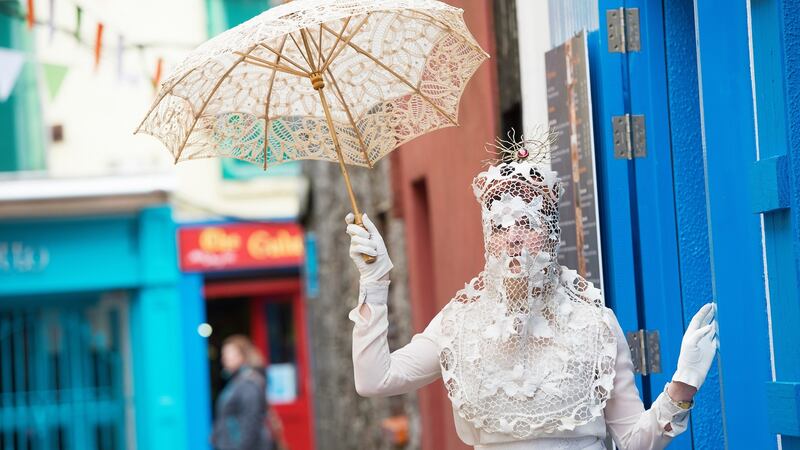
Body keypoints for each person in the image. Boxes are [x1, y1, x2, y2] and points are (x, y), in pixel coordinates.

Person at [345, 136, 718, 450]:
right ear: (488, 238)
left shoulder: (593, 323)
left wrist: (683, 383)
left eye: (526, 223)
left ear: (551, 234)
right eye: (500, 227)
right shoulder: (461, 323)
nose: (513, 238)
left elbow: (634, 440)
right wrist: (375, 282)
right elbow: (375, 379)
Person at [211, 335, 287, 450]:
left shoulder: (248, 383)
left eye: (228, 353)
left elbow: (251, 421)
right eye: (224, 354)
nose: (224, 358)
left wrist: (241, 447)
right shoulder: (236, 381)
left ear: (242, 355)